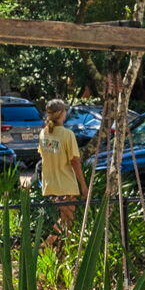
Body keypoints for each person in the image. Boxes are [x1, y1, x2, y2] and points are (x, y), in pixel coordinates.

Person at [37, 99, 86, 235]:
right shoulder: (67, 134)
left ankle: (52, 249)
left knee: (63, 223)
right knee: (68, 222)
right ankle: (48, 247)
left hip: (50, 185)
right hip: (66, 185)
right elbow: (75, 162)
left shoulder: (43, 134)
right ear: (61, 113)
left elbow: (43, 157)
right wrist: (83, 186)